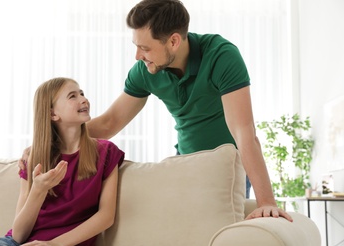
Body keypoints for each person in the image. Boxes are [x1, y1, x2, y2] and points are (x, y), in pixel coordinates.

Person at [85, 0, 292, 221]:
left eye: (145, 48)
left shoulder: (221, 56)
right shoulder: (144, 70)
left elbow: (244, 133)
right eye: (136, 46)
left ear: (173, 41)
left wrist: (267, 202)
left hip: (229, 167)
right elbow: (110, 122)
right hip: (185, 162)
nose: (138, 56)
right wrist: (56, 133)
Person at [0, 77, 124, 246]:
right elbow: (18, 235)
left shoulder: (106, 152)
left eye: (82, 93)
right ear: (52, 114)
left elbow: (105, 216)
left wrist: (56, 244)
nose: (83, 99)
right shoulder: (33, 158)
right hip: (17, 243)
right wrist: (38, 190)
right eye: (72, 96)